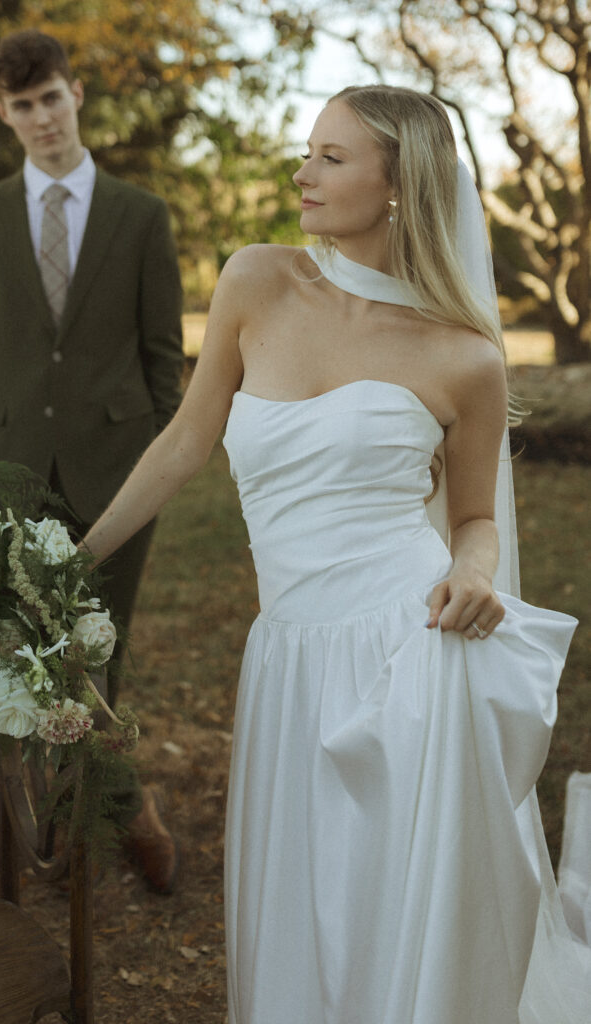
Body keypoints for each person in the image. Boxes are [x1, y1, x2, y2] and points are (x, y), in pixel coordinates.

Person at [81, 84, 591, 1021]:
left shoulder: (463, 355)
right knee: (302, 898)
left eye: (330, 156)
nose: (301, 172)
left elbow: (474, 517)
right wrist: (79, 557)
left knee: (393, 906)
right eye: (306, 150)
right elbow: (185, 443)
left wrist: (472, 572)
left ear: (400, 186)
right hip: (286, 652)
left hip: (410, 652)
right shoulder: (255, 280)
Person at [0, 29, 183, 894]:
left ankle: (83, 820)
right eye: (22, 106)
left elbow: (165, 358)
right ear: (4, 115)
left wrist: (162, 450)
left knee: (96, 651)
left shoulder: (139, 213)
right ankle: (117, 807)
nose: (41, 117)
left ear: (75, 94)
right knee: (26, 652)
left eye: (51, 97)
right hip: (19, 469)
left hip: (124, 470)